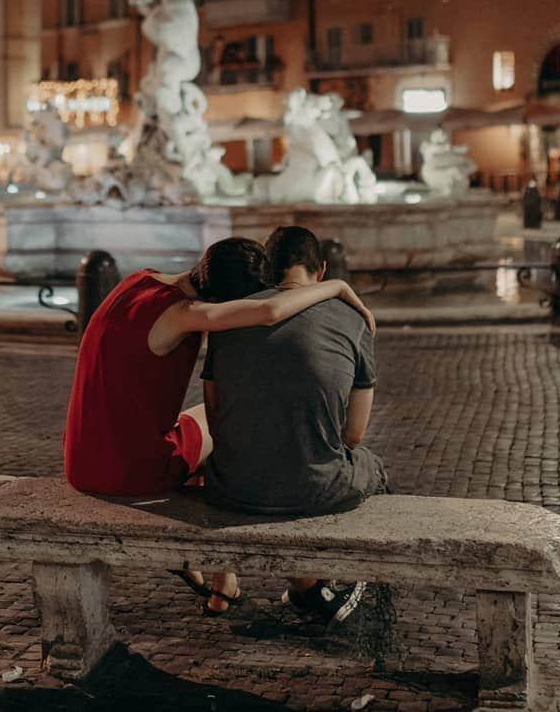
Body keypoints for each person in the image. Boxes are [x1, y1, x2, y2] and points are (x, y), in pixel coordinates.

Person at [63, 235, 376, 612]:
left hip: (82, 456)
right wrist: (338, 286)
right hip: (128, 470)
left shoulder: (138, 280)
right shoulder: (184, 313)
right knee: (227, 425)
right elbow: (270, 312)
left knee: (208, 424)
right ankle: (300, 582)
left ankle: (223, 581)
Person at [201, 225, 388, 626]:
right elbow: (353, 435)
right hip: (313, 489)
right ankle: (315, 585)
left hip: (230, 486)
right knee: (372, 468)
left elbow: (216, 418)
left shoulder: (232, 314)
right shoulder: (351, 320)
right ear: (320, 270)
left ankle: (300, 584)